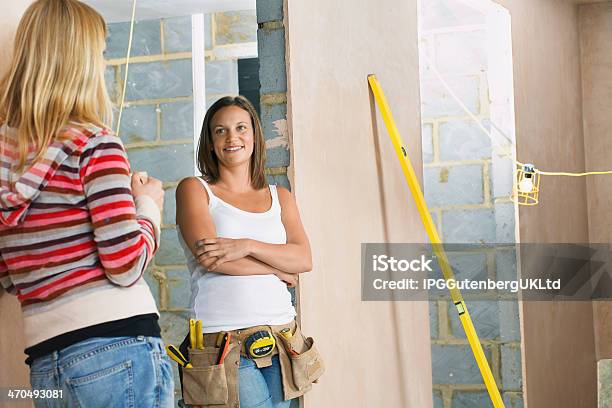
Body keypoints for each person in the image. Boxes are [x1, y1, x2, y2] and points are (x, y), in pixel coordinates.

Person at [0, 1, 174, 406]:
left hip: (45, 362)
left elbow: (9, 277)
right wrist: (147, 207)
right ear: (79, 60)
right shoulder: (95, 144)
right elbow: (126, 265)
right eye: (99, 52)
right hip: (118, 347)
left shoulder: (6, 160)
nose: (103, 62)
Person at [176, 95, 313, 407]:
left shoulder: (281, 197)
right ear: (210, 142)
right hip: (223, 339)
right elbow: (211, 258)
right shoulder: (195, 190)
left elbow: (303, 259)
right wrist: (276, 267)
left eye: (240, 127)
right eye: (220, 130)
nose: (232, 137)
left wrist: (247, 246)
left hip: (281, 336)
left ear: (255, 136)